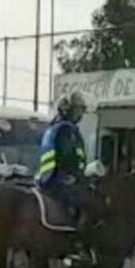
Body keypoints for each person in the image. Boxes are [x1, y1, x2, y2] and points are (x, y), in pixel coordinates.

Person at [36, 92, 99, 237]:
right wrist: (77, 176)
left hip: (48, 177)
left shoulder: (54, 127)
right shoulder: (67, 130)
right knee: (92, 203)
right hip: (59, 180)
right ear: (67, 110)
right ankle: (78, 241)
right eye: (78, 110)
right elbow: (67, 158)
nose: (81, 115)